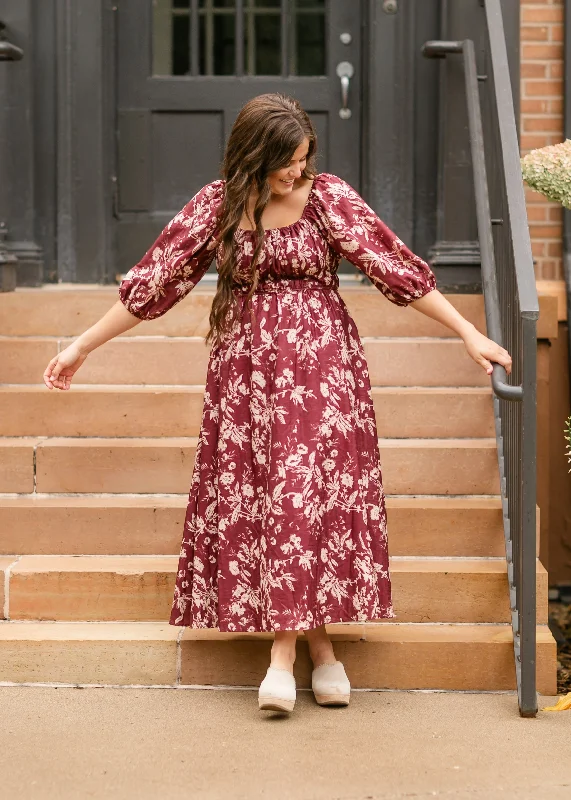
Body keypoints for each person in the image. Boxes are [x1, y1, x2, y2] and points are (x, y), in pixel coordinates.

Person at [43, 93, 512, 714]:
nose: (298, 171)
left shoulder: (327, 198)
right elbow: (154, 283)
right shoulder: (218, 207)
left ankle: (280, 660)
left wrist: (467, 332)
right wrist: (80, 348)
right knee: (273, 497)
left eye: (304, 157)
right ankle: (322, 651)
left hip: (322, 369)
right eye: (287, 162)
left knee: (301, 495)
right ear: (252, 158)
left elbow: (395, 269)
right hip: (246, 376)